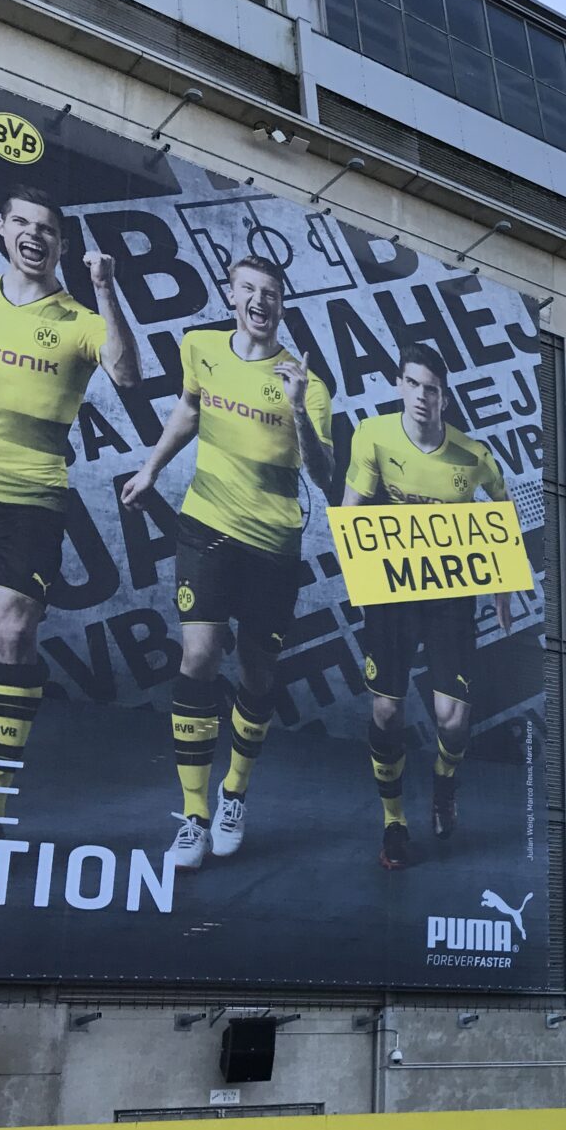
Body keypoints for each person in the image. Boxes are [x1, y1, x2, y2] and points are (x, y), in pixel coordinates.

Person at [0, 185, 138, 838]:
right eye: (23, 221)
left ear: (62, 245)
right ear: (1, 226)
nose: (34, 234)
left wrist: (104, 289)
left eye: (48, 228)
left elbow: (127, 374)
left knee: (12, 636)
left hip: (31, 494)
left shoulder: (79, 320)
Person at [121, 255, 332, 871]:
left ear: (282, 306)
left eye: (271, 294)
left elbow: (322, 473)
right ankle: (193, 814)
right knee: (198, 657)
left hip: (273, 547)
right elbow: (190, 408)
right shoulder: (200, 347)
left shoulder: (309, 383)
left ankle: (234, 793)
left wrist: (295, 407)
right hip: (207, 527)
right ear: (231, 294)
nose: (260, 301)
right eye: (249, 290)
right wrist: (151, 467)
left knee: (258, 673)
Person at [342, 342, 511, 870]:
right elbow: (351, 513)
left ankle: (444, 782)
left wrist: (503, 596)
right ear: (400, 386)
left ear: (445, 398)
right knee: (387, 710)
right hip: (393, 592)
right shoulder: (372, 435)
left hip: (450, 595)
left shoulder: (474, 456)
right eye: (412, 384)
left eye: (432, 389)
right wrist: (359, 574)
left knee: (453, 719)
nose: (421, 396)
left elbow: (501, 521)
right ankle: (394, 820)